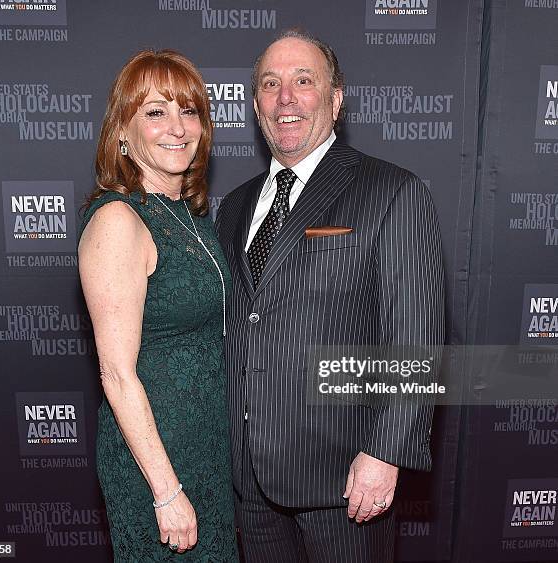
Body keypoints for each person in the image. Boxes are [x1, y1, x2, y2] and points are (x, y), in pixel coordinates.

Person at [215, 29, 445, 562]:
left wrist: (385, 452)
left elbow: (417, 338)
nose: (286, 98)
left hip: (343, 481)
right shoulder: (234, 207)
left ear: (336, 100)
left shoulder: (392, 191)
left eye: (303, 81)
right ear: (255, 105)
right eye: (270, 84)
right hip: (249, 484)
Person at [78, 50, 237, 562]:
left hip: (206, 450)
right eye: (154, 112)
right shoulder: (119, 221)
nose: (177, 126)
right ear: (123, 132)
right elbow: (117, 375)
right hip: (156, 463)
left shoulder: (190, 216)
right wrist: (166, 493)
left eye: (188, 111)